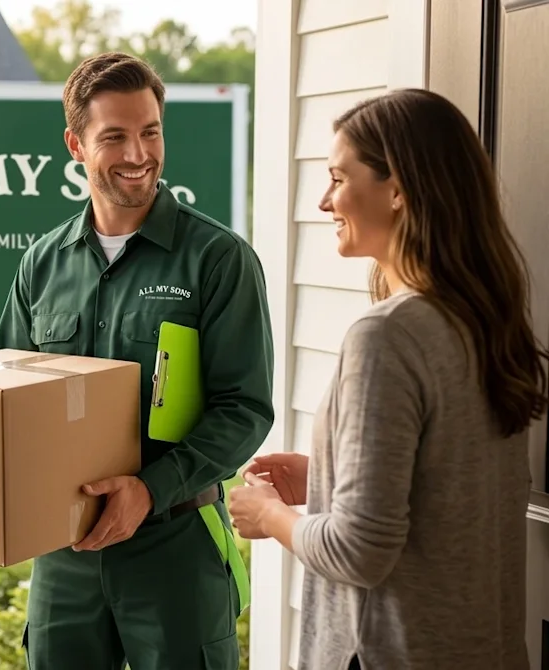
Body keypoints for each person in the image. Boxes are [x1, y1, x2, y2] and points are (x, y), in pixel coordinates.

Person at [227, 87, 545, 670]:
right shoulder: (486, 320)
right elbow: (449, 486)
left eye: (338, 178)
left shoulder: (387, 336)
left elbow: (361, 550)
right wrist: (325, 476)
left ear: (397, 189)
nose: (324, 201)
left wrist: (269, 516)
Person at [0, 51, 274, 670]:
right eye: (114, 136)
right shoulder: (42, 265)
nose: (138, 154)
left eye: (150, 131)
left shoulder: (218, 260)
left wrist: (149, 490)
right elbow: (7, 398)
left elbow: (245, 409)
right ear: (75, 144)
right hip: (66, 553)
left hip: (175, 544)